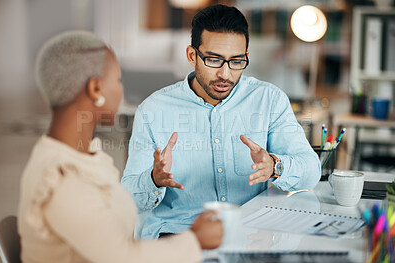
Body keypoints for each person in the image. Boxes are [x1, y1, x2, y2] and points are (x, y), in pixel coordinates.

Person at [17, 31, 222, 263]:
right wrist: (195, 240)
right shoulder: (62, 179)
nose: (121, 91)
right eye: (117, 80)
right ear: (95, 89)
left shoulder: (79, 155)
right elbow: (123, 257)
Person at [121, 4, 321, 239]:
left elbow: (311, 170)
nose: (225, 74)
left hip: (249, 235)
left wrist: (275, 166)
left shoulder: (269, 100)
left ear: (246, 57)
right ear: (192, 55)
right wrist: (154, 179)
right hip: (180, 236)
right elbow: (127, 199)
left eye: (236, 61)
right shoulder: (153, 109)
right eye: (214, 60)